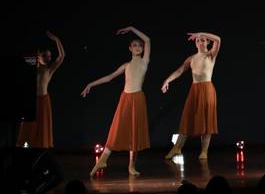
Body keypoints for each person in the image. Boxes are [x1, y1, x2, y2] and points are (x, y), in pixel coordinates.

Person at [82, 26, 151, 176]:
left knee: (134, 132)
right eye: (134, 45)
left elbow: (147, 39)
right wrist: (91, 84)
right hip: (125, 98)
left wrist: (131, 28)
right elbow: (109, 77)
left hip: (138, 98)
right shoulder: (126, 65)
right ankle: (102, 160)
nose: (138, 47)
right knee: (116, 129)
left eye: (140, 46)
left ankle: (131, 165)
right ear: (130, 48)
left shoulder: (144, 62)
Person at [162, 32, 221, 160]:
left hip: (207, 88)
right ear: (195, 44)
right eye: (198, 40)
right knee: (186, 119)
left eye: (203, 40)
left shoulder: (210, 55)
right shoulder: (191, 58)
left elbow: (218, 39)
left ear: (207, 42)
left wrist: (201, 33)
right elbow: (180, 70)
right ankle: (177, 148)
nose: (200, 42)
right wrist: (167, 80)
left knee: (207, 120)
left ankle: (204, 151)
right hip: (194, 90)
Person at [17, 31, 65, 148]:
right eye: (45, 56)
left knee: (43, 126)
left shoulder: (49, 69)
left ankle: (42, 148)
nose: (48, 59)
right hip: (32, 100)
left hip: (43, 101)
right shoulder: (31, 67)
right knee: (28, 126)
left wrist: (56, 39)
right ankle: (25, 148)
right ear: (38, 57)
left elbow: (61, 56)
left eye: (49, 56)